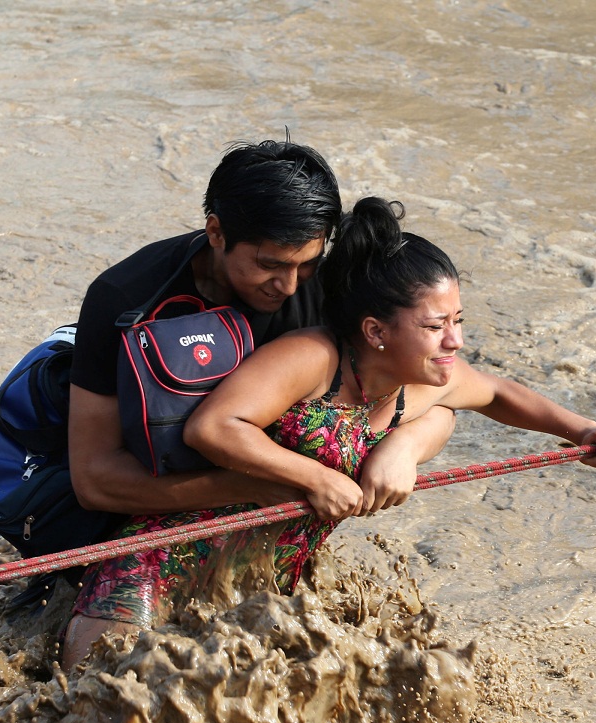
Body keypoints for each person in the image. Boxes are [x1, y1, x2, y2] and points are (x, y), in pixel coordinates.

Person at [60, 196, 596, 670]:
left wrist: (584, 430)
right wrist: (313, 477)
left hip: (261, 590)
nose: (455, 342)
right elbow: (215, 426)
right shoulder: (312, 358)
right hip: (158, 564)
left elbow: (497, 393)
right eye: (436, 326)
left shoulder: (420, 382)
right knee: (101, 707)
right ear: (375, 331)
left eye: (458, 322)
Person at [60, 144, 455, 663]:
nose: (288, 287)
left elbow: (436, 391)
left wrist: (405, 445)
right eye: (270, 265)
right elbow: (93, 480)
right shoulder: (125, 298)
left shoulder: (321, 292)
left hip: (273, 528)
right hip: (144, 514)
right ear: (217, 232)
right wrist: (271, 485)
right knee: (96, 673)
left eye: (307, 265)